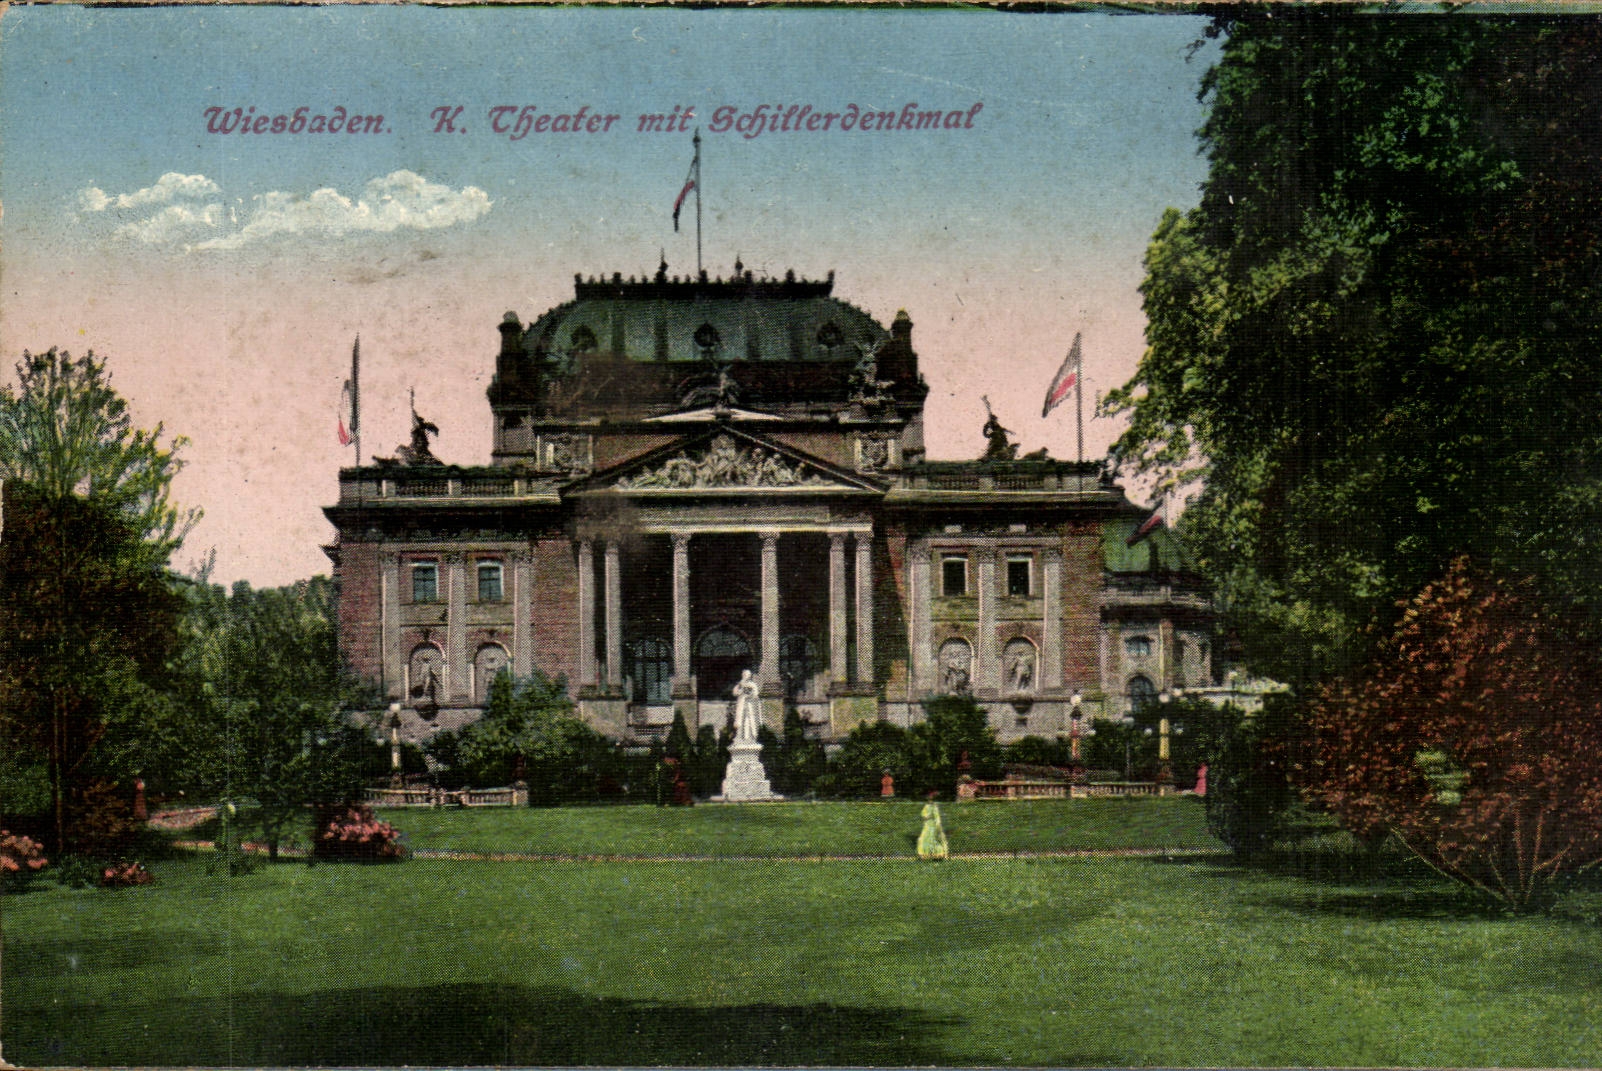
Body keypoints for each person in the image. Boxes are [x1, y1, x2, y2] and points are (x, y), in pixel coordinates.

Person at [732, 669, 762, 743]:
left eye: (748, 675)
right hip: (741, 704)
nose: (746, 676)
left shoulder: (752, 684)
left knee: (749, 719)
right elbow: (734, 692)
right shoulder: (739, 684)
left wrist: (750, 694)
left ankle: (751, 737)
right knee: (740, 720)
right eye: (745, 675)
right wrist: (741, 690)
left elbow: (756, 694)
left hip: (750, 704)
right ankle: (739, 736)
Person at [917, 792, 949, 860]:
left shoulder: (934, 807)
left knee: (933, 838)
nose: (929, 799)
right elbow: (923, 815)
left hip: (933, 824)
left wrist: (938, 825)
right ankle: (926, 854)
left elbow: (937, 817)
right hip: (927, 824)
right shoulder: (927, 806)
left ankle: (937, 854)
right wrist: (927, 816)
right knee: (925, 838)